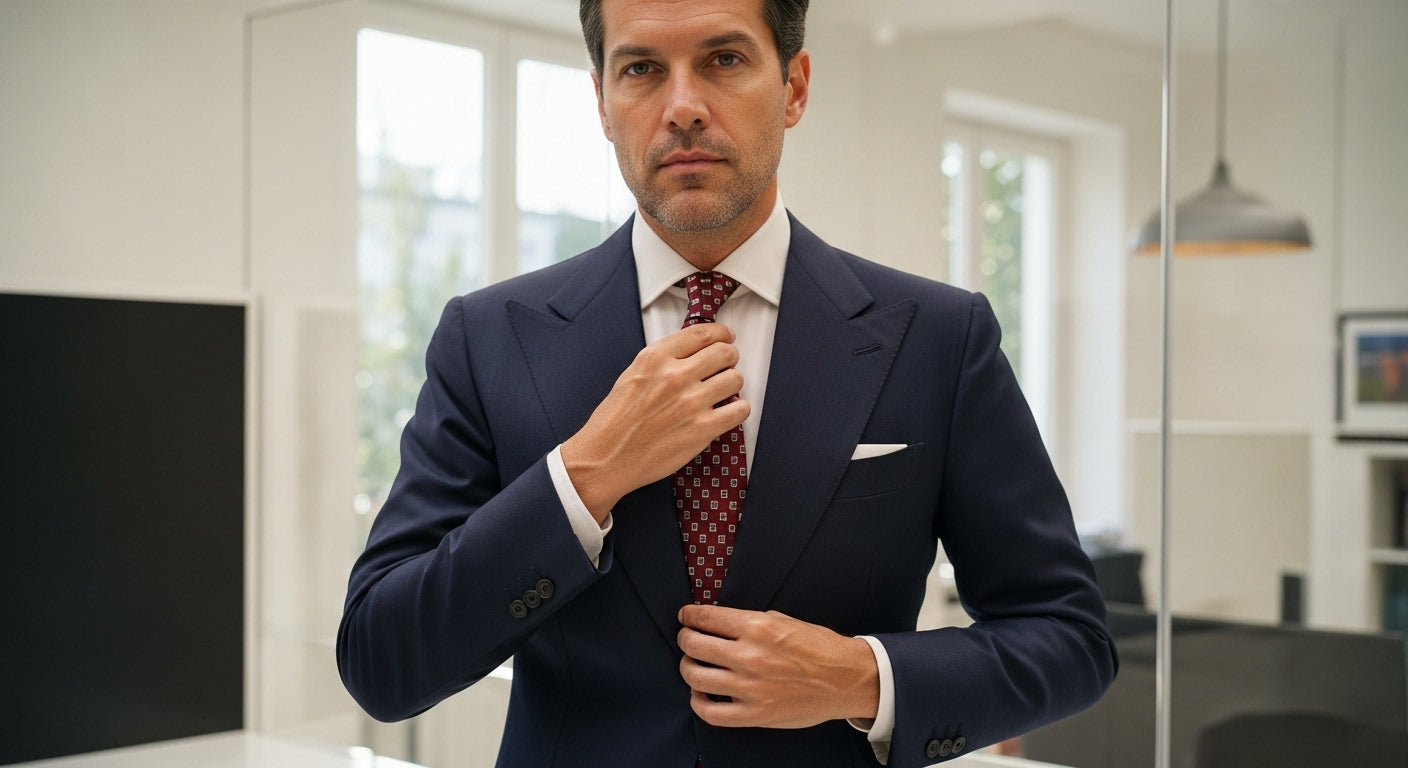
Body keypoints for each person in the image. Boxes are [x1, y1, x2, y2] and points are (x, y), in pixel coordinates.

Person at [337, 0, 1117, 765]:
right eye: (641, 69)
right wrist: (585, 477)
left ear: (795, 86)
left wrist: (861, 679)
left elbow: (1069, 638)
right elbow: (382, 661)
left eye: (724, 60)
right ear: (603, 104)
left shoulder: (938, 338)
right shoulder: (488, 338)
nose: (682, 107)